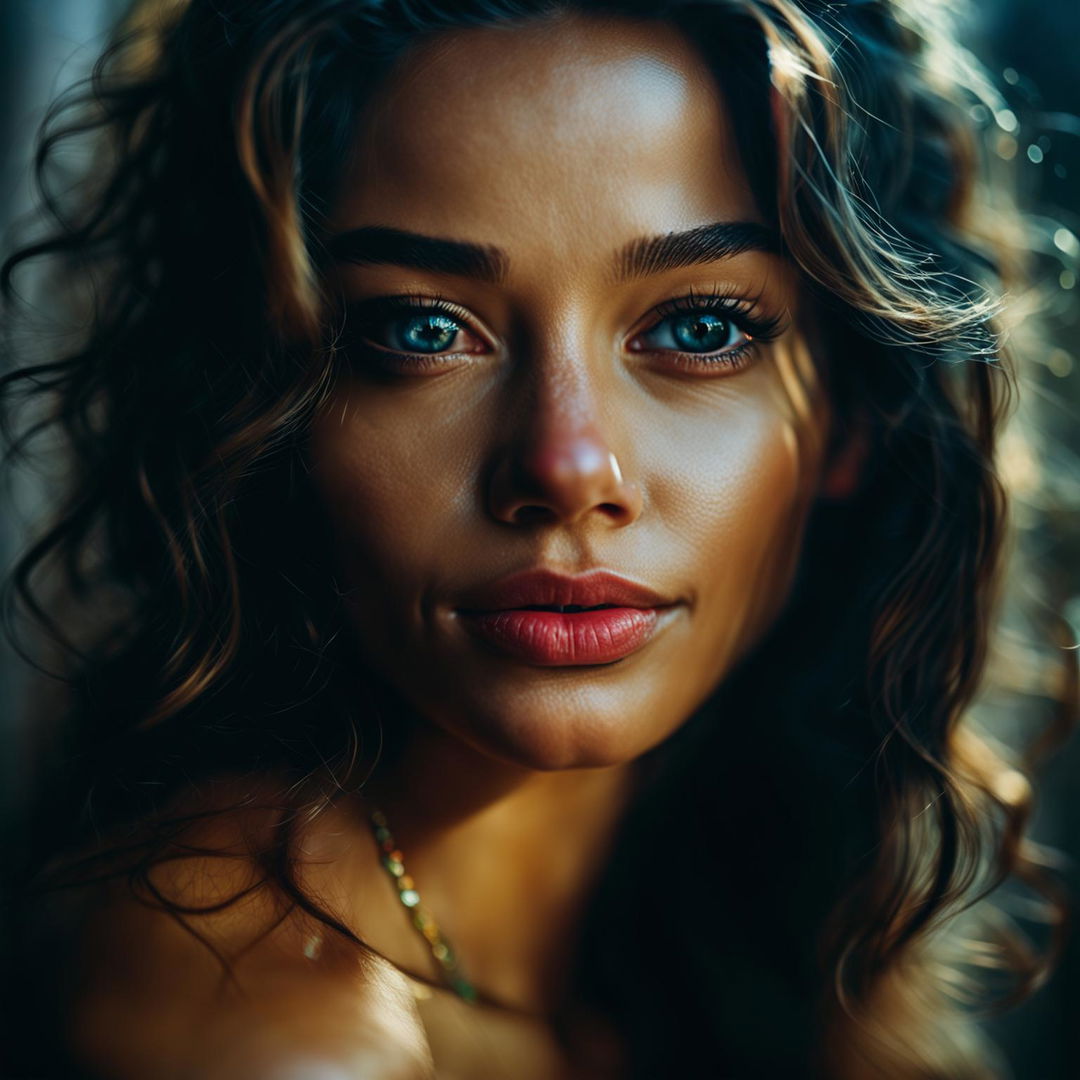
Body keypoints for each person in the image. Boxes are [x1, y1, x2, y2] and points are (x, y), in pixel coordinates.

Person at [0, 0, 1074, 1077]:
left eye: (701, 328)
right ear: (263, 409)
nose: (566, 466)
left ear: (856, 414)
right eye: (422, 330)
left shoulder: (737, 930)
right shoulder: (283, 1041)